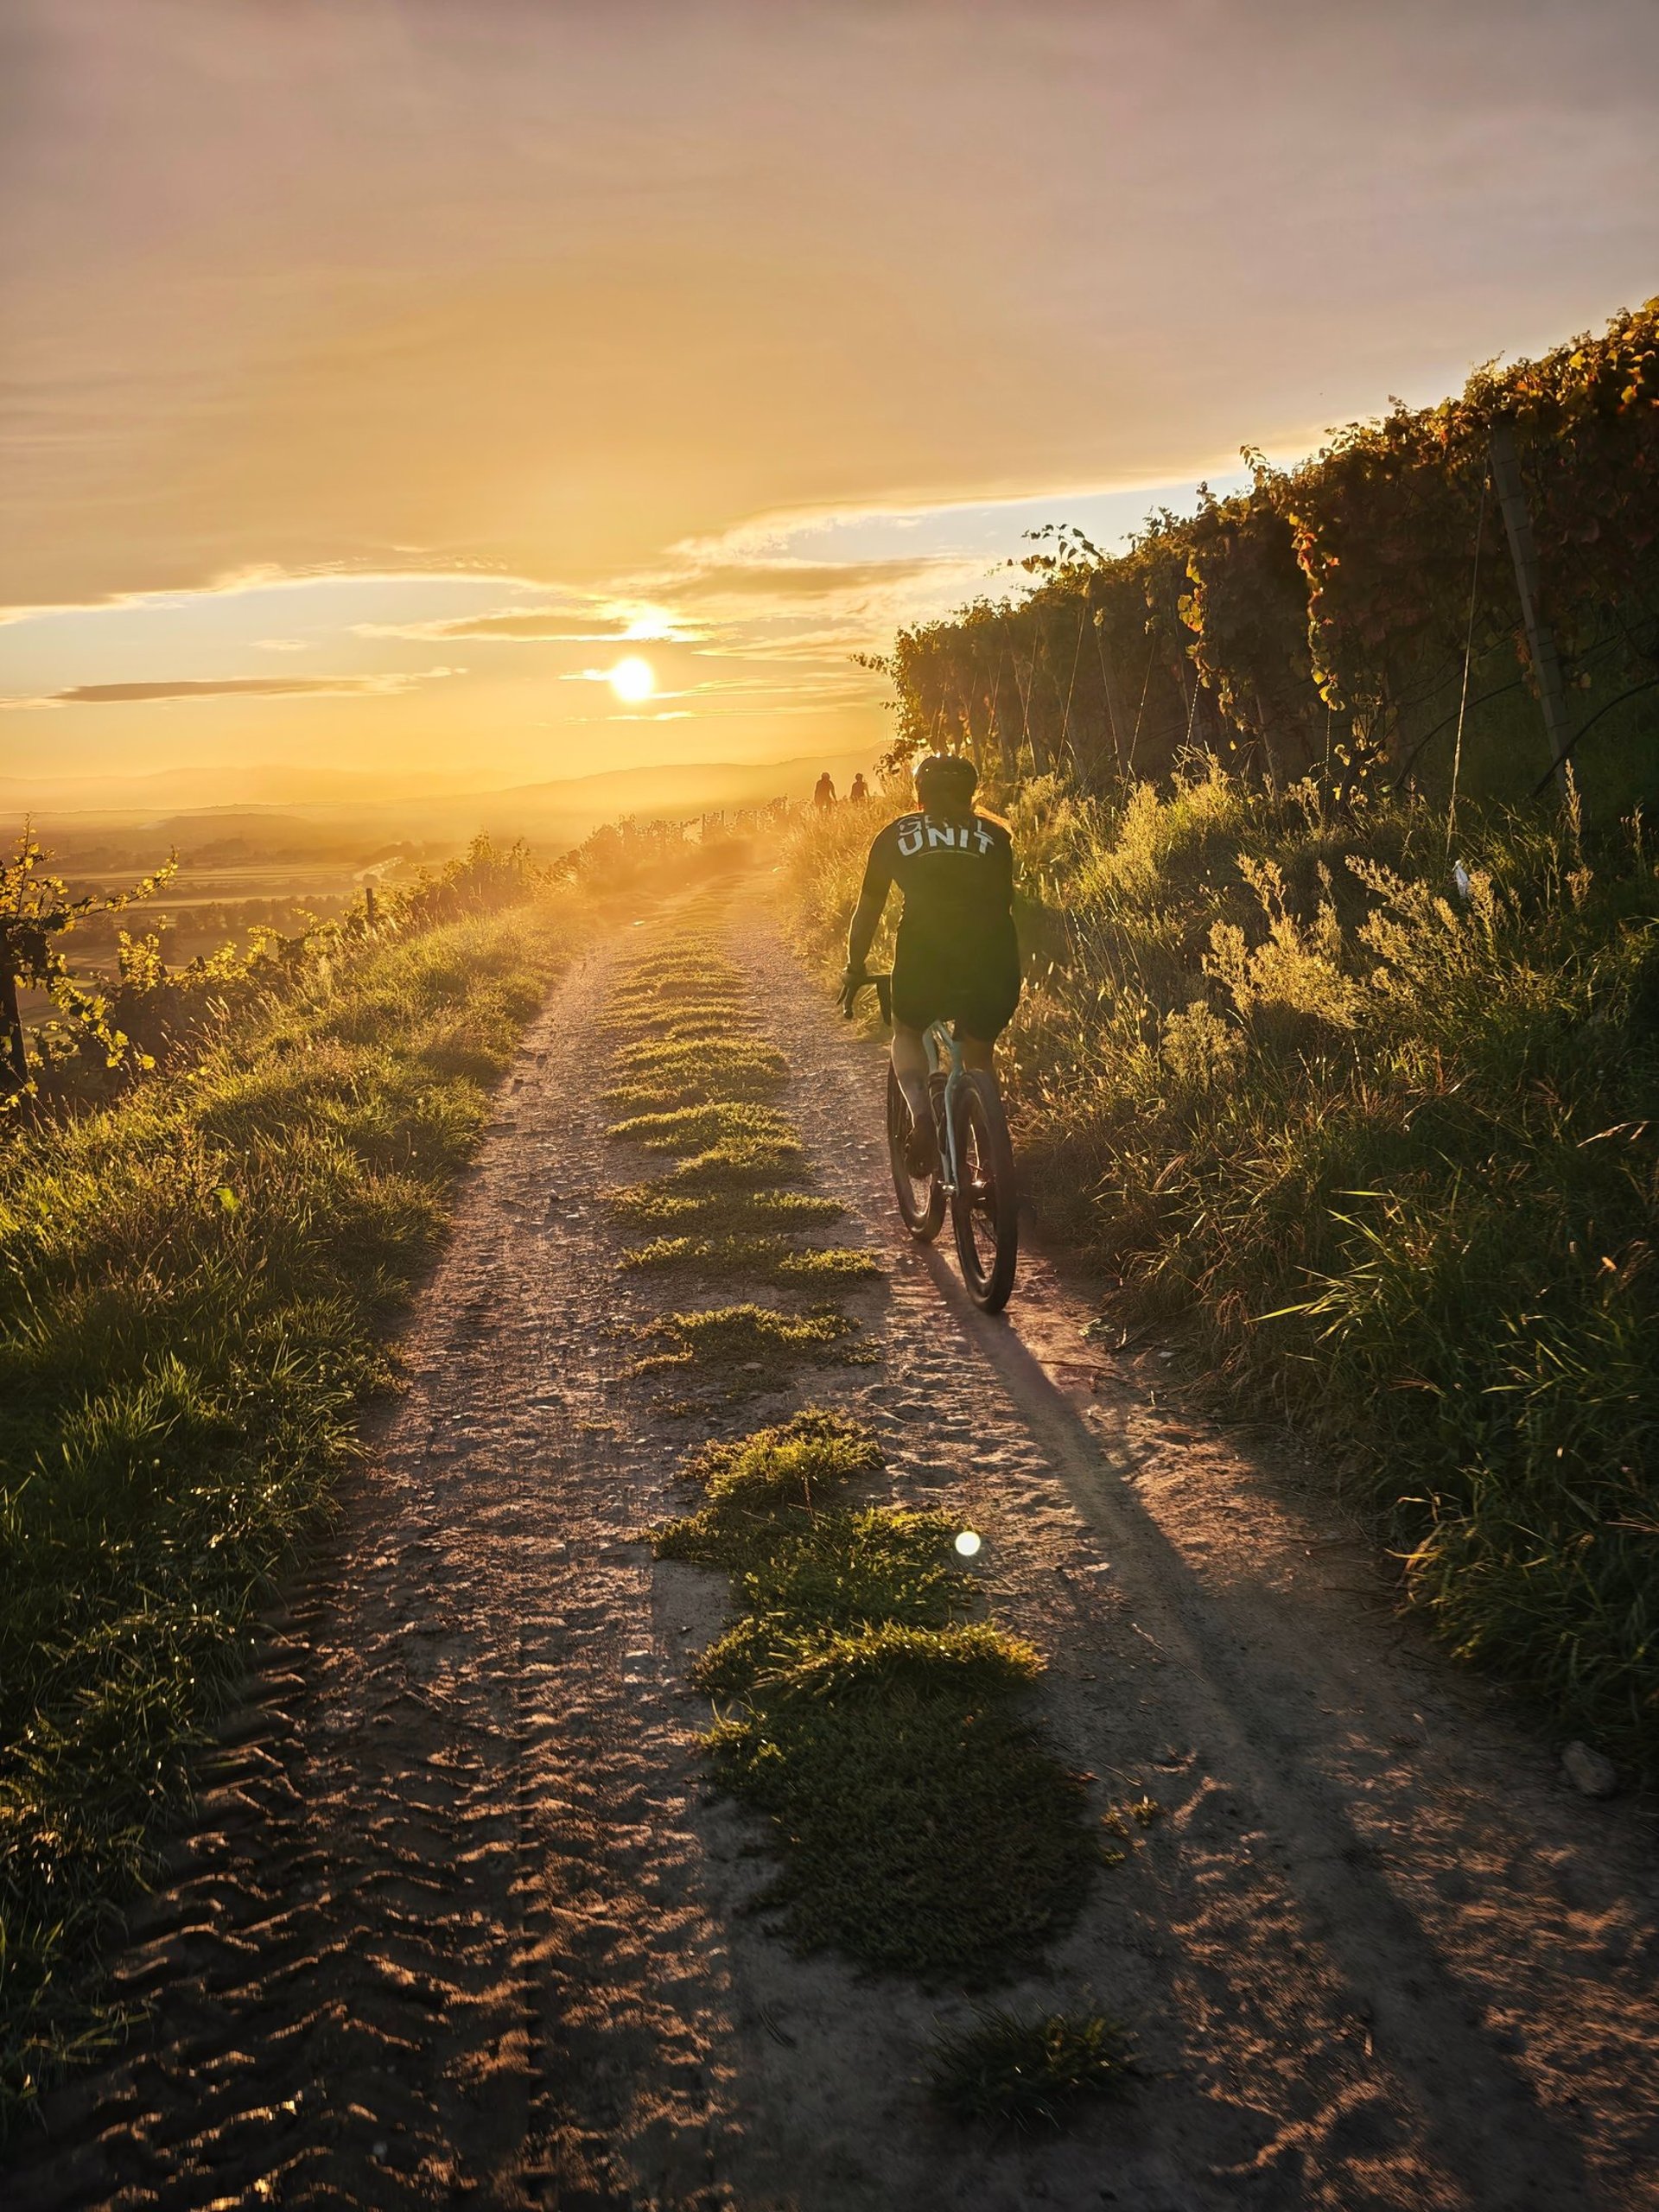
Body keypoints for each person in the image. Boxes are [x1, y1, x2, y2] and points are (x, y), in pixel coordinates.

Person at [838, 752, 1019, 1173]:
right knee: (978, 1056)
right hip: (995, 958)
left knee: (906, 1030)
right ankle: (993, 1166)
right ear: (970, 793)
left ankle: (921, 1115)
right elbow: (1002, 905)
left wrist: (855, 966)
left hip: (925, 956)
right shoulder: (997, 837)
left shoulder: (894, 835)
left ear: (920, 792)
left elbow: (868, 912)